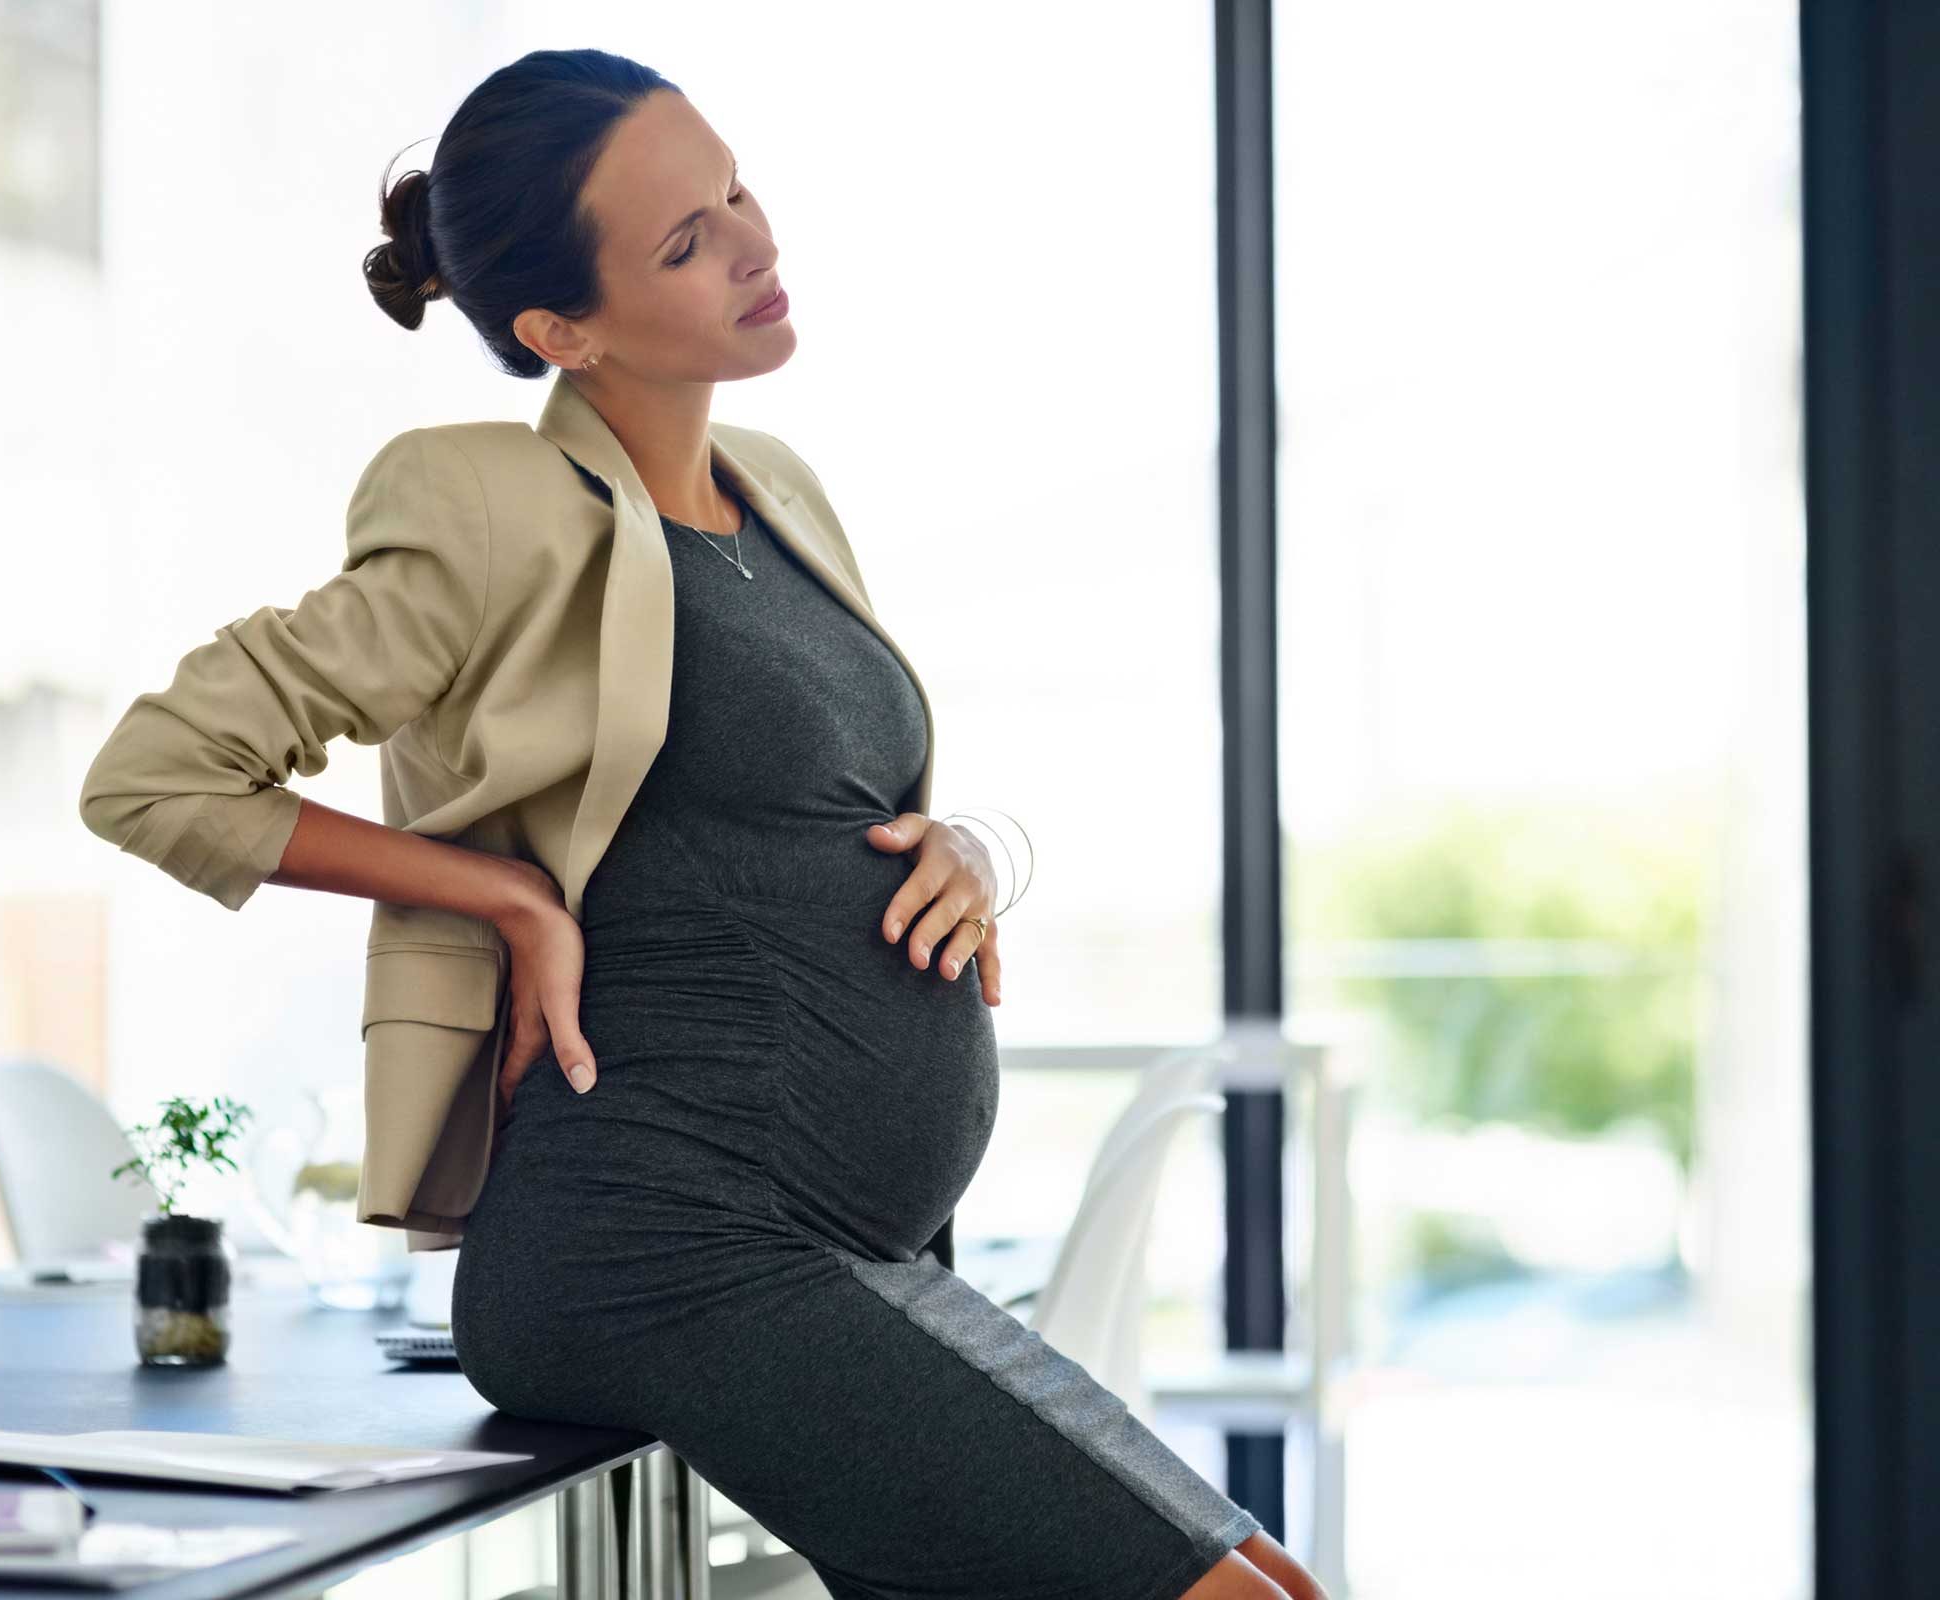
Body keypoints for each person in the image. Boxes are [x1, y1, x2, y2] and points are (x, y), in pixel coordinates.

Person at [89, 44, 1327, 1600]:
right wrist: (502, 898)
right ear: (562, 330)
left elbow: (829, 798)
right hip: (661, 1247)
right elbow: (156, 775)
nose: (756, 240)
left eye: (734, 189)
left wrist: (971, 847)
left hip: (845, 1244)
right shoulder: (488, 509)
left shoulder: (779, 487)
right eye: (687, 240)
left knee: (1277, 1586)